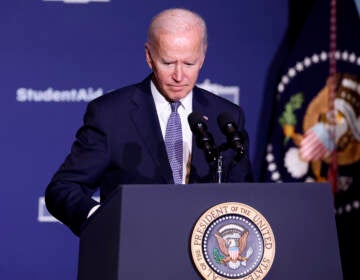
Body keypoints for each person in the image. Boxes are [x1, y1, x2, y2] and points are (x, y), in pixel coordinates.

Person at [45, 8, 253, 236]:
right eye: (168, 62)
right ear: (149, 56)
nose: (178, 75)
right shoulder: (111, 114)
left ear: (202, 58)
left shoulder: (225, 117)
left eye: (189, 64)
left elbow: (244, 198)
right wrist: (101, 220)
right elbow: (63, 189)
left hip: (208, 259)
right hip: (134, 256)